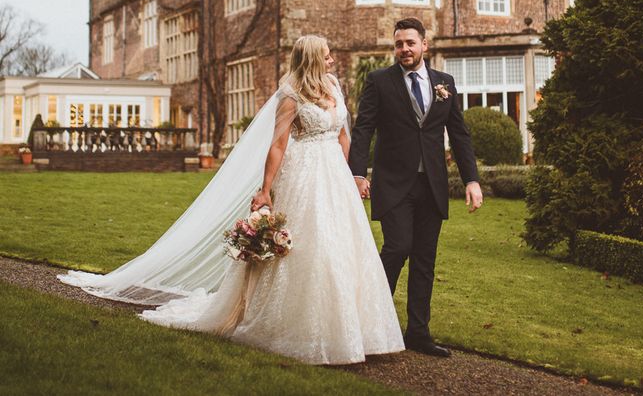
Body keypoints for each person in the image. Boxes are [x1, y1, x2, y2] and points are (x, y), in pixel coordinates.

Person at [60, 35, 404, 365]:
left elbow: (343, 135)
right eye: (327, 54)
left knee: (345, 248)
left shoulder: (334, 86)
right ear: (313, 59)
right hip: (304, 176)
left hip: (334, 177)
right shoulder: (291, 96)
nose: (332, 59)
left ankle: (352, 329)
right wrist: (266, 189)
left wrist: (348, 175)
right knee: (312, 249)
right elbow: (278, 145)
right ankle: (298, 328)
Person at [349, 18, 483, 358]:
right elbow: (363, 128)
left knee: (425, 259)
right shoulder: (379, 81)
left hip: (432, 186)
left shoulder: (444, 83)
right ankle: (369, 322)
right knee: (397, 247)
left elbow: (460, 134)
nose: (404, 49)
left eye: (410, 42)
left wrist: (471, 179)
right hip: (393, 184)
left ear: (425, 44)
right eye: (398, 44)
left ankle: (418, 334)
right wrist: (358, 174)